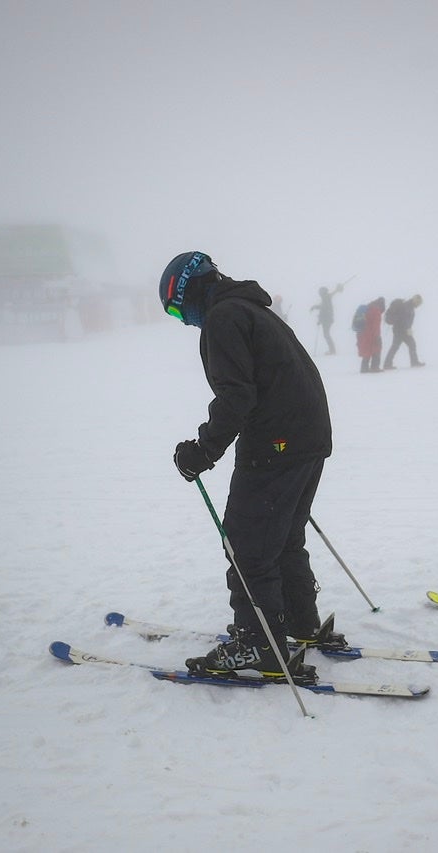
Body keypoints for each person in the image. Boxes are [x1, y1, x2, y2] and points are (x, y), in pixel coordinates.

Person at [159, 251, 339, 679]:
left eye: (175, 309)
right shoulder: (253, 311)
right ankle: (298, 621)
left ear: (187, 293)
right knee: (283, 535)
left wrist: (201, 452)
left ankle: (259, 644)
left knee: (248, 544)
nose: (182, 320)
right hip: (307, 437)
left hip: (277, 443)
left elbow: (238, 397)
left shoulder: (225, 318)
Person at [383, 294, 424, 369]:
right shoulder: (407, 306)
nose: (418, 305)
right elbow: (403, 319)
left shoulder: (410, 306)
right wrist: (407, 329)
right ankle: (387, 364)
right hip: (401, 330)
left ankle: (388, 364)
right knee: (401, 345)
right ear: (416, 301)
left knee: (401, 345)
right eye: (418, 303)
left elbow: (407, 320)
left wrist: (408, 328)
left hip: (401, 330)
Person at [309, 283, 344, 355]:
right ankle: (332, 350)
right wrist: (315, 307)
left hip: (326, 319)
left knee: (326, 334)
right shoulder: (326, 297)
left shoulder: (326, 298)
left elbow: (323, 309)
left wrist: (320, 319)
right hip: (328, 319)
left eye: (320, 292)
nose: (319, 294)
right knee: (326, 334)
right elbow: (323, 307)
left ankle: (332, 350)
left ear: (322, 293)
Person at [357, 297, 386, 373]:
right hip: (371, 333)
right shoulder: (376, 311)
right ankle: (374, 367)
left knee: (367, 350)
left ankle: (364, 368)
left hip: (363, 333)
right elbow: (376, 325)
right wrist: (377, 336)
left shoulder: (368, 308)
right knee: (377, 348)